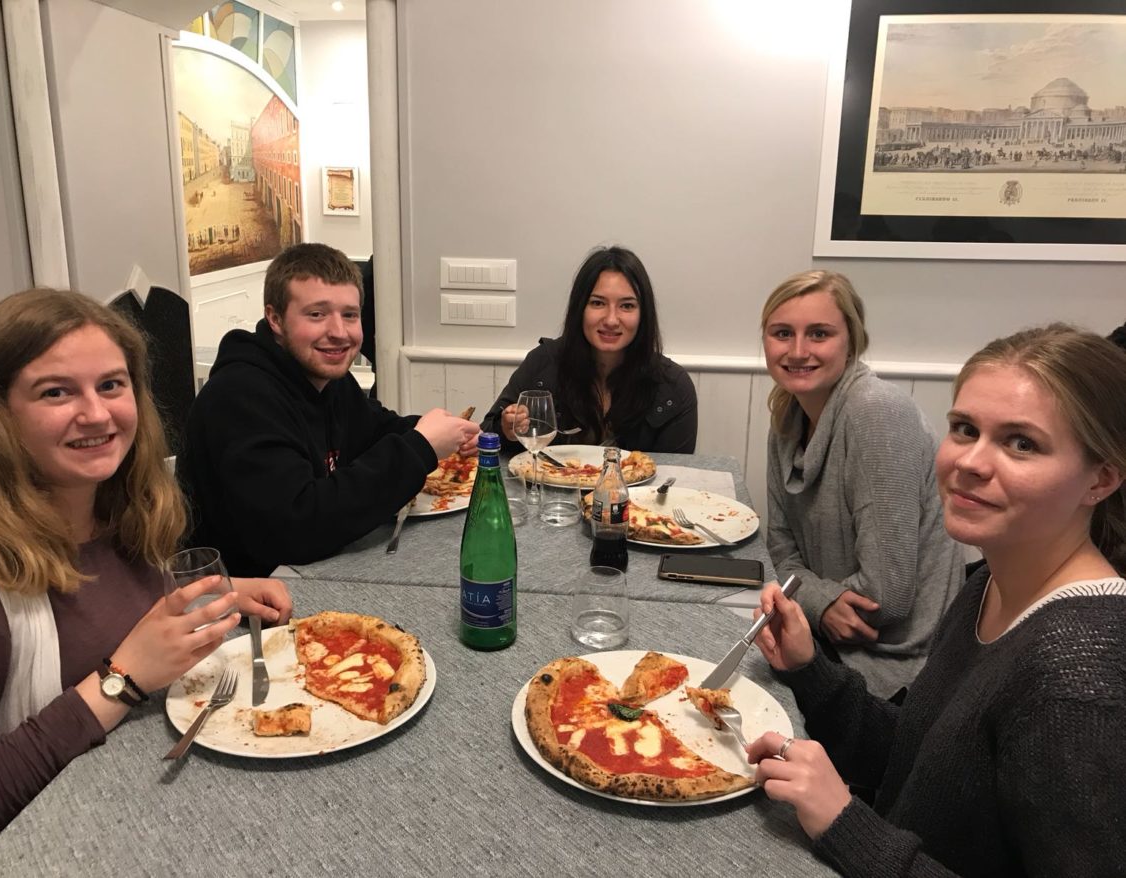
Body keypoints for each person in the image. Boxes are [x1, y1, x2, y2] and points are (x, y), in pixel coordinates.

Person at [748, 324, 1126, 877]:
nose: (972, 461)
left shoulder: (1077, 677)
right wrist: (810, 671)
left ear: (1102, 479)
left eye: (1022, 443)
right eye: (965, 429)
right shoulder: (989, 583)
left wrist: (846, 823)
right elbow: (916, 760)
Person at [0, 289, 292, 860]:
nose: (96, 413)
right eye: (56, 392)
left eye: (112, 385)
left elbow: (118, 617)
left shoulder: (122, 512)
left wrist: (219, 595)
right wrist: (120, 681)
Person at [180, 243, 479, 576]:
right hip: (242, 602)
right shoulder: (239, 397)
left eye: (349, 315)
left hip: (320, 570)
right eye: (317, 314)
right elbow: (297, 527)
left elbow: (375, 430)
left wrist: (445, 433)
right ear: (275, 319)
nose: (339, 333)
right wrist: (421, 446)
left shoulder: (327, 379)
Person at [761, 270, 962, 697]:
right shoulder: (785, 416)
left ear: (852, 340)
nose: (798, 351)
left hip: (896, 669)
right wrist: (820, 603)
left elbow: (884, 597)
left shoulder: (877, 414)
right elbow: (779, 546)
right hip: (822, 632)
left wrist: (811, 601)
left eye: (819, 334)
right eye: (782, 333)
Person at [481, 246, 697, 453]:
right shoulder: (543, 362)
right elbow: (486, 437)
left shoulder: (673, 387)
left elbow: (677, 477)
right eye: (598, 303)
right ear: (580, 309)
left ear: (644, 315)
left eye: (627, 306)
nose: (611, 320)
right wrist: (506, 429)